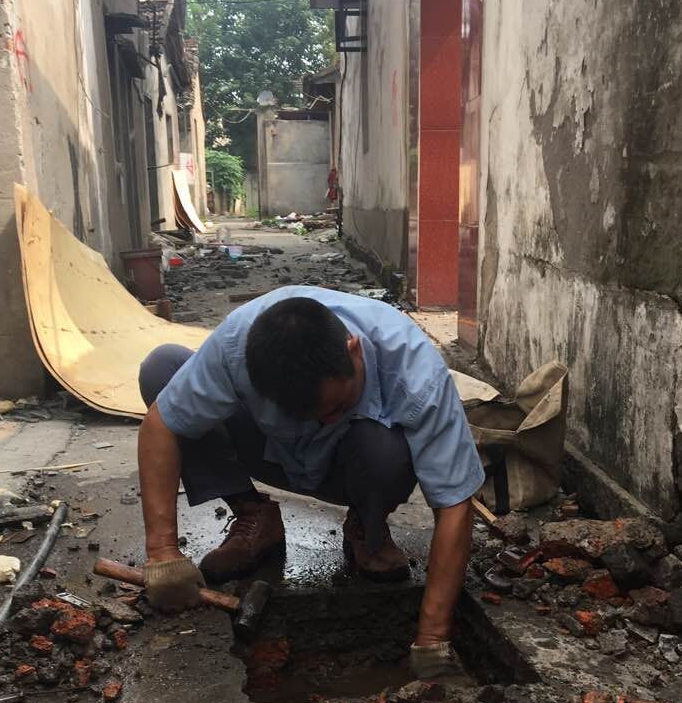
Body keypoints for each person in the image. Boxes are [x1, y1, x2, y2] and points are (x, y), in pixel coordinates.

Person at [136, 287, 484, 678]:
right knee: (162, 369)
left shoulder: (415, 371)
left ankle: (367, 528)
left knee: (386, 450)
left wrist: (432, 637)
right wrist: (162, 553)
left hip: (352, 466)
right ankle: (253, 514)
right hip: (272, 453)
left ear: (353, 351)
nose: (326, 419)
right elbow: (160, 425)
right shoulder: (237, 345)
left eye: (338, 406)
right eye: (308, 413)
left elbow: (455, 502)